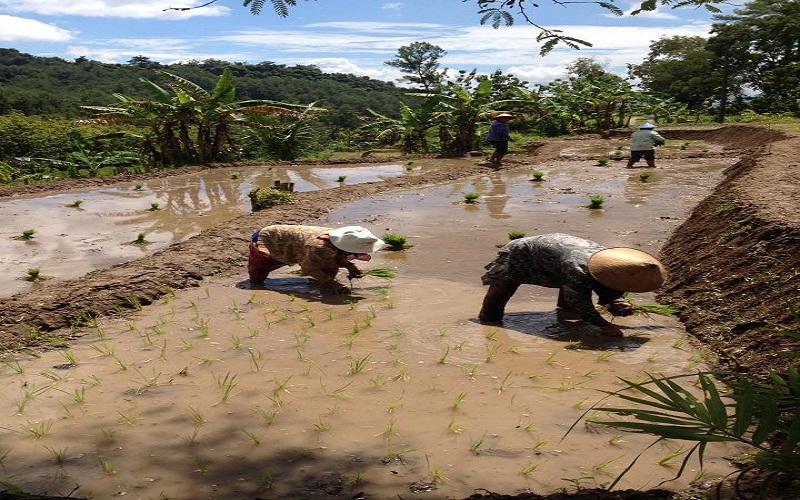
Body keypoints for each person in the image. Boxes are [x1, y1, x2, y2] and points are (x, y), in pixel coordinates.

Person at [479, 233, 666, 337]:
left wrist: (615, 303)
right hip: (522, 252)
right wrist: (604, 325)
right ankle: (487, 321)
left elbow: (612, 284)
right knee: (503, 289)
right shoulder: (579, 269)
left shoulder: (610, 264)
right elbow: (579, 300)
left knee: (571, 294)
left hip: (558, 256)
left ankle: (564, 310)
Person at [248, 225, 385, 294]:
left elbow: (338, 256)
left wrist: (349, 266)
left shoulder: (342, 238)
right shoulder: (320, 247)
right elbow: (308, 267)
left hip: (298, 242)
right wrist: (330, 282)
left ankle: (325, 285)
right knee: (258, 277)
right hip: (270, 239)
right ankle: (256, 286)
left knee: (329, 265)